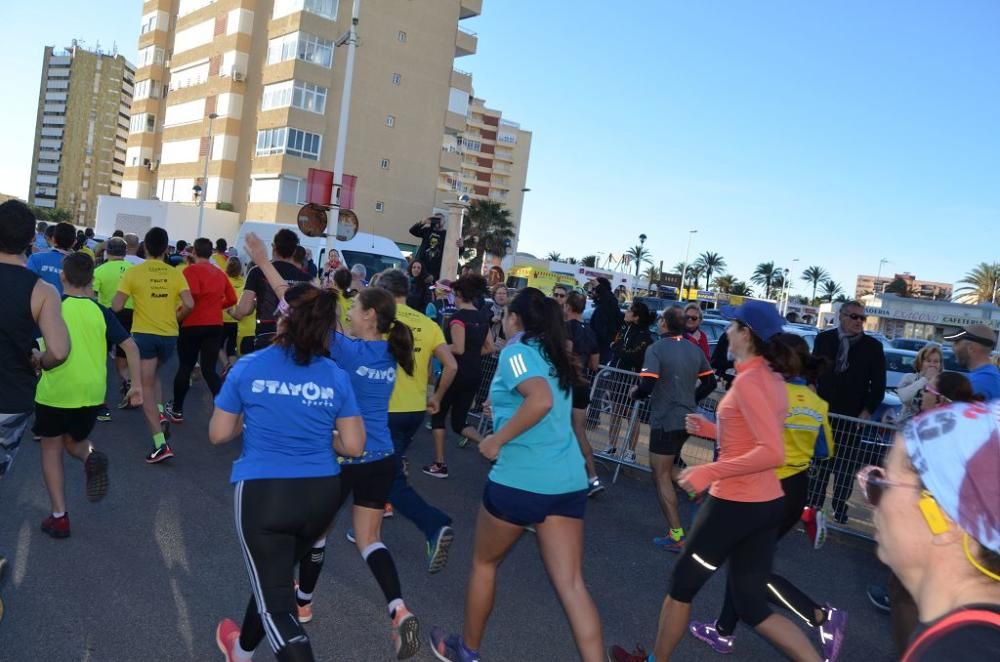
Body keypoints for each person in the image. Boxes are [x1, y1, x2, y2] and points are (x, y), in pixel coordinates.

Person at [609, 300, 824, 662]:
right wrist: (714, 430)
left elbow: (771, 450)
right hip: (765, 503)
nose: (725, 331)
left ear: (746, 334)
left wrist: (710, 471)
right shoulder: (771, 377)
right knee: (753, 606)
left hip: (735, 504)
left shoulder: (753, 380)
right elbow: (754, 433)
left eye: (732, 325)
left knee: (681, 588)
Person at [242, 234, 423, 657]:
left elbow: (293, 304)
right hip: (381, 459)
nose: (350, 309)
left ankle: (278, 620)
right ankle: (397, 608)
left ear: (369, 316)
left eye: (356, 306)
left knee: (306, 541)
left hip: (342, 455)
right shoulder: (390, 355)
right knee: (370, 540)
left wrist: (263, 262)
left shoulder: (347, 351)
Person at [430, 288, 604, 662]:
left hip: (521, 481)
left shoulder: (517, 352)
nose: (502, 321)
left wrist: (496, 440)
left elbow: (539, 400)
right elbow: (541, 401)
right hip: (567, 482)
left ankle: (468, 651)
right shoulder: (555, 354)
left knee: (484, 564)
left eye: (505, 314)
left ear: (516, 319)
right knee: (572, 585)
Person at [210, 283, 365, 662]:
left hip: (266, 495)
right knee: (273, 583)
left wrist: (257, 414)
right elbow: (354, 446)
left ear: (281, 319)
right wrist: (314, 431)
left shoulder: (249, 365)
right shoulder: (334, 374)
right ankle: (241, 651)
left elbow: (219, 434)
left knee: (277, 607)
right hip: (321, 497)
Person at [689, 333, 846, 661]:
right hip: (795, 488)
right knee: (745, 562)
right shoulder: (816, 402)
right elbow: (825, 450)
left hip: (765, 488)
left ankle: (819, 615)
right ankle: (723, 632)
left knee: (748, 571)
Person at [855, 401, 1000, 661]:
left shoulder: (957, 653)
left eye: (880, 483)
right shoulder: (970, 639)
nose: (869, 498)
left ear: (942, 518)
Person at [866, 370, 982, 647]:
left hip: (932, 524)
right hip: (957, 531)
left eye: (928, 391)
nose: (923, 395)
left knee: (903, 593)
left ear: (940, 399)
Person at [33, 253, 142, 539]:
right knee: (75, 442)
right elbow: (130, 347)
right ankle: (89, 456)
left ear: (62, 277)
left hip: (56, 390)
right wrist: (136, 385)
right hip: (93, 394)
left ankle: (59, 517)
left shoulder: (52, 308)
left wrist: (35, 358)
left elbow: (40, 348)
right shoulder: (101, 311)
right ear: (92, 280)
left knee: (51, 448)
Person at [0, 200, 70, 569]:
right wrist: (38, 361)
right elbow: (59, 350)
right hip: (10, 400)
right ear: (33, 239)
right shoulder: (42, 291)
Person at [378, 269, 459, 573]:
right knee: (381, 468)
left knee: (387, 477)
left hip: (385, 409)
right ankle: (366, 531)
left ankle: (433, 523)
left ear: (383, 291)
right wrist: (436, 397)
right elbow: (450, 365)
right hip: (413, 410)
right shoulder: (427, 323)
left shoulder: (380, 318)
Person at [631, 306, 716, 551]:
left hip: (665, 419)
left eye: (660, 320)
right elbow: (709, 382)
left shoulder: (656, 348)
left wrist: (635, 393)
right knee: (666, 468)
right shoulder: (694, 348)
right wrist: (691, 398)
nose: (658, 323)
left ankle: (677, 535)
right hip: (687, 418)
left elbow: (647, 384)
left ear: (665, 324)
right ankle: (696, 486)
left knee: (660, 474)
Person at [113, 227, 194, 463]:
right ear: (166, 248)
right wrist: (176, 318)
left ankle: (160, 444)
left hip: (143, 336)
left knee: (145, 387)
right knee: (152, 376)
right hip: (169, 337)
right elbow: (189, 303)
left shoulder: (133, 273)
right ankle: (160, 413)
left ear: (145, 247)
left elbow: (117, 306)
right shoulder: (175, 273)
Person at [807, 301, 886, 524]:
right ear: (841, 316)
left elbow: (878, 384)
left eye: (863, 318)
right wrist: (811, 388)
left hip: (852, 418)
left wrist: (867, 410)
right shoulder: (824, 340)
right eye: (854, 317)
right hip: (824, 414)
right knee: (820, 463)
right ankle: (813, 507)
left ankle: (839, 508)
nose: (859, 322)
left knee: (845, 467)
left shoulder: (873, 346)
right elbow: (812, 370)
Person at [424, 275, 493, 479]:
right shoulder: (482, 317)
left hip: (454, 372)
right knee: (459, 421)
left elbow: (459, 348)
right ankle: (488, 444)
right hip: (474, 373)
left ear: (460, 294)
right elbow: (489, 347)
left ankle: (439, 464)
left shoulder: (458, 318)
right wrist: (472, 353)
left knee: (438, 416)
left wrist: (438, 349)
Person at [165, 238, 237, 424]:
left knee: (186, 367)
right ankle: (226, 410)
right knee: (209, 370)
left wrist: (180, 312)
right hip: (214, 324)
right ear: (210, 252)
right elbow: (232, 298)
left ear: (194, 252)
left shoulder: (190, 271)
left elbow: (193, 295)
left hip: (192, 323)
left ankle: (177, 410)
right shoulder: (220, 273)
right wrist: (215, 306)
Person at [230, 228, 310, 354]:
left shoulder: (257, 271)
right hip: (296, 338)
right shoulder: (306, 278)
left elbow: (243, 310)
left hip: (266, 335)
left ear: (273, 247)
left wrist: (236, 308)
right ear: (294, 251)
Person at [563, 291, 604, 496]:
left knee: (557, 428)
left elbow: (567, 352)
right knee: (579, 431)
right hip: (583, 385)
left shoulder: (567, 327)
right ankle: (592, 477)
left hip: (566, 384)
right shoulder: (590, 331)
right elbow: (595, 364)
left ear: (568, 307)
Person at [93, 237, 136, 411]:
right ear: (125, 253)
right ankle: (129, 385)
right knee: (123, 356)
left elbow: (93, 297)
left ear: (107, 251)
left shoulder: (100, 270)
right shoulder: (134, 270)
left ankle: (100, 401)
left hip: (107, 314)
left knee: (100, 358)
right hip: (131, 316)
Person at [606, 301, 655, 455]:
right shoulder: (624, 328)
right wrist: (617, 347)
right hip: (617, 376)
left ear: (636, 317)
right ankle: (610, 446)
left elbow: (633, 356)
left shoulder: (644, 336)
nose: (625, 312)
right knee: (615, 412)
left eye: (628, 310)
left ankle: (630, 452)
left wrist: (615, 347)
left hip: (631, 379)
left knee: (631, 415)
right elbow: (618, 346)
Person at [945, 324, 1000, 401]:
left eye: (956, 343)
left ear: (970, 348)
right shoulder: (992, 375)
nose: (953, 348)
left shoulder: (975, 383)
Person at [896, 343, 944, 421]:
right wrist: (925, 379)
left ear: (940, 364)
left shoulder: (944, 382)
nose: (932, 365)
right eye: (928, 361)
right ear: (920, 363)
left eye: (936, 361)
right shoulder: (909, 378)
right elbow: (904, 398)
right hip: (907, 425)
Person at [26, 221, 75, 295]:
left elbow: (27, 286)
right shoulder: (79, 265)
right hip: (67, 305)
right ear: (74, 242)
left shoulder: (35, 258)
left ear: (53, 239)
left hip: (37, 304)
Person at [221, 257, 247, 374]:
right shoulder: (244, 281)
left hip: (222, 317)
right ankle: (233, 370)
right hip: (237, 320)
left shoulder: (222, 280)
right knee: (231, 348)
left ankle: (226, 365)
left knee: (217, 345)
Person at [589, 277, 623, 365]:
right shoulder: (601, 306)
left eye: (594, 289)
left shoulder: (609, 304)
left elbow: (610, 300)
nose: (592, 291)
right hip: (596, 349)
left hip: (603, 350)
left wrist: (599, 287)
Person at [409, 215, 446, 281]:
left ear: (444, 221)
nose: (437, 221)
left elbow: (457, 250)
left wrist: (461, 246)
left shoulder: (446, 234)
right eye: (435, 219)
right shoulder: (427, 230)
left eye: (439, 219)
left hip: (436, 270)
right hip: (422, 267)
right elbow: (412, 231)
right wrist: (423, 222)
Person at [488, 284, 508, 351]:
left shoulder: (510, 310)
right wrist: (491, 320)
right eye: (499, 293)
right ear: (494, 295)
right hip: (488, 345)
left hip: (504, 347)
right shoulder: (487, 308)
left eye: (504, 293)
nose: (501, 296)